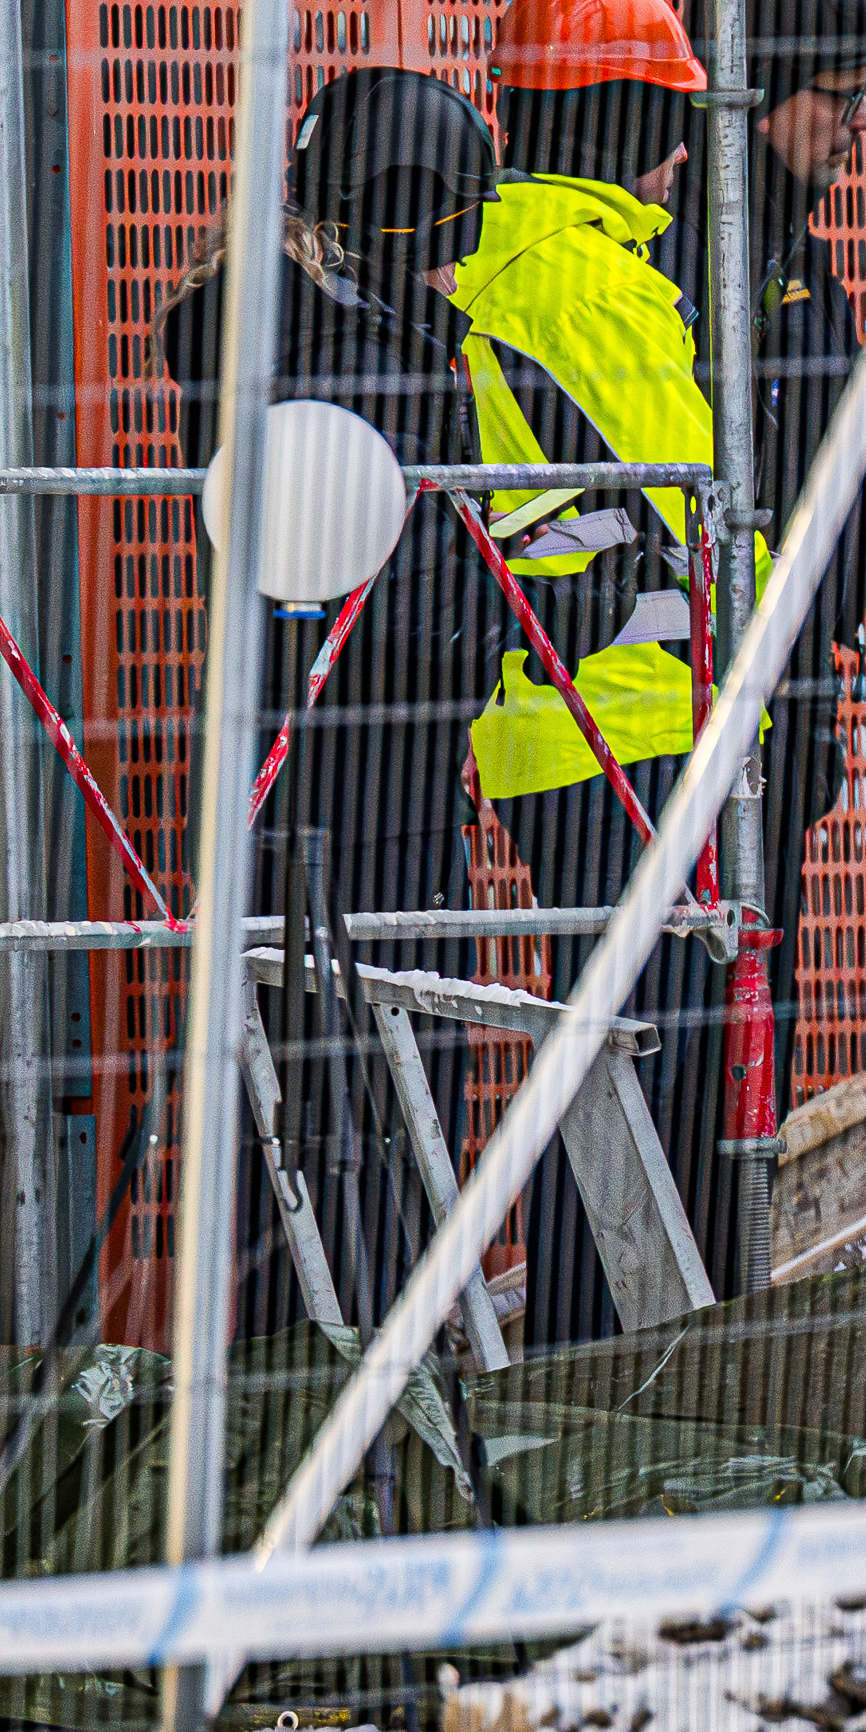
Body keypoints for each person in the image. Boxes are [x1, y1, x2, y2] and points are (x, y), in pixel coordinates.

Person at [160, 71, 645, 1338]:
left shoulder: (270, 348)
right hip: (372, 825)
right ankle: (383, 1457)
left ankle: (289, 1446)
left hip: (274, 811)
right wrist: (577, 610)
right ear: (420, 213)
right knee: (378, 1144)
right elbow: (421, 615)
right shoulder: (367, 370)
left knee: (283, 1164)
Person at [438, 0, 743, 1347]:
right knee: (643, 1063)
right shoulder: (589, 283)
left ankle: (591, 1345)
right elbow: (699, 506)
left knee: (611, 1043)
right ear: (625, 123)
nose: (686, 151)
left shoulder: (491, 251)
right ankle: (593, 1359)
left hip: (548, 719)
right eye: (669, 117)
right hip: (629, 718)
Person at [661, 0, 866, 1069]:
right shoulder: (685, 259)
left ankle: (725, 1253)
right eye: (841, 95)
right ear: (758, 97)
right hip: (687, 715)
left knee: (757, 1039)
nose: (863, 124)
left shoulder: (791, 254)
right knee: (686, 1045)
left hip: (781, 700)